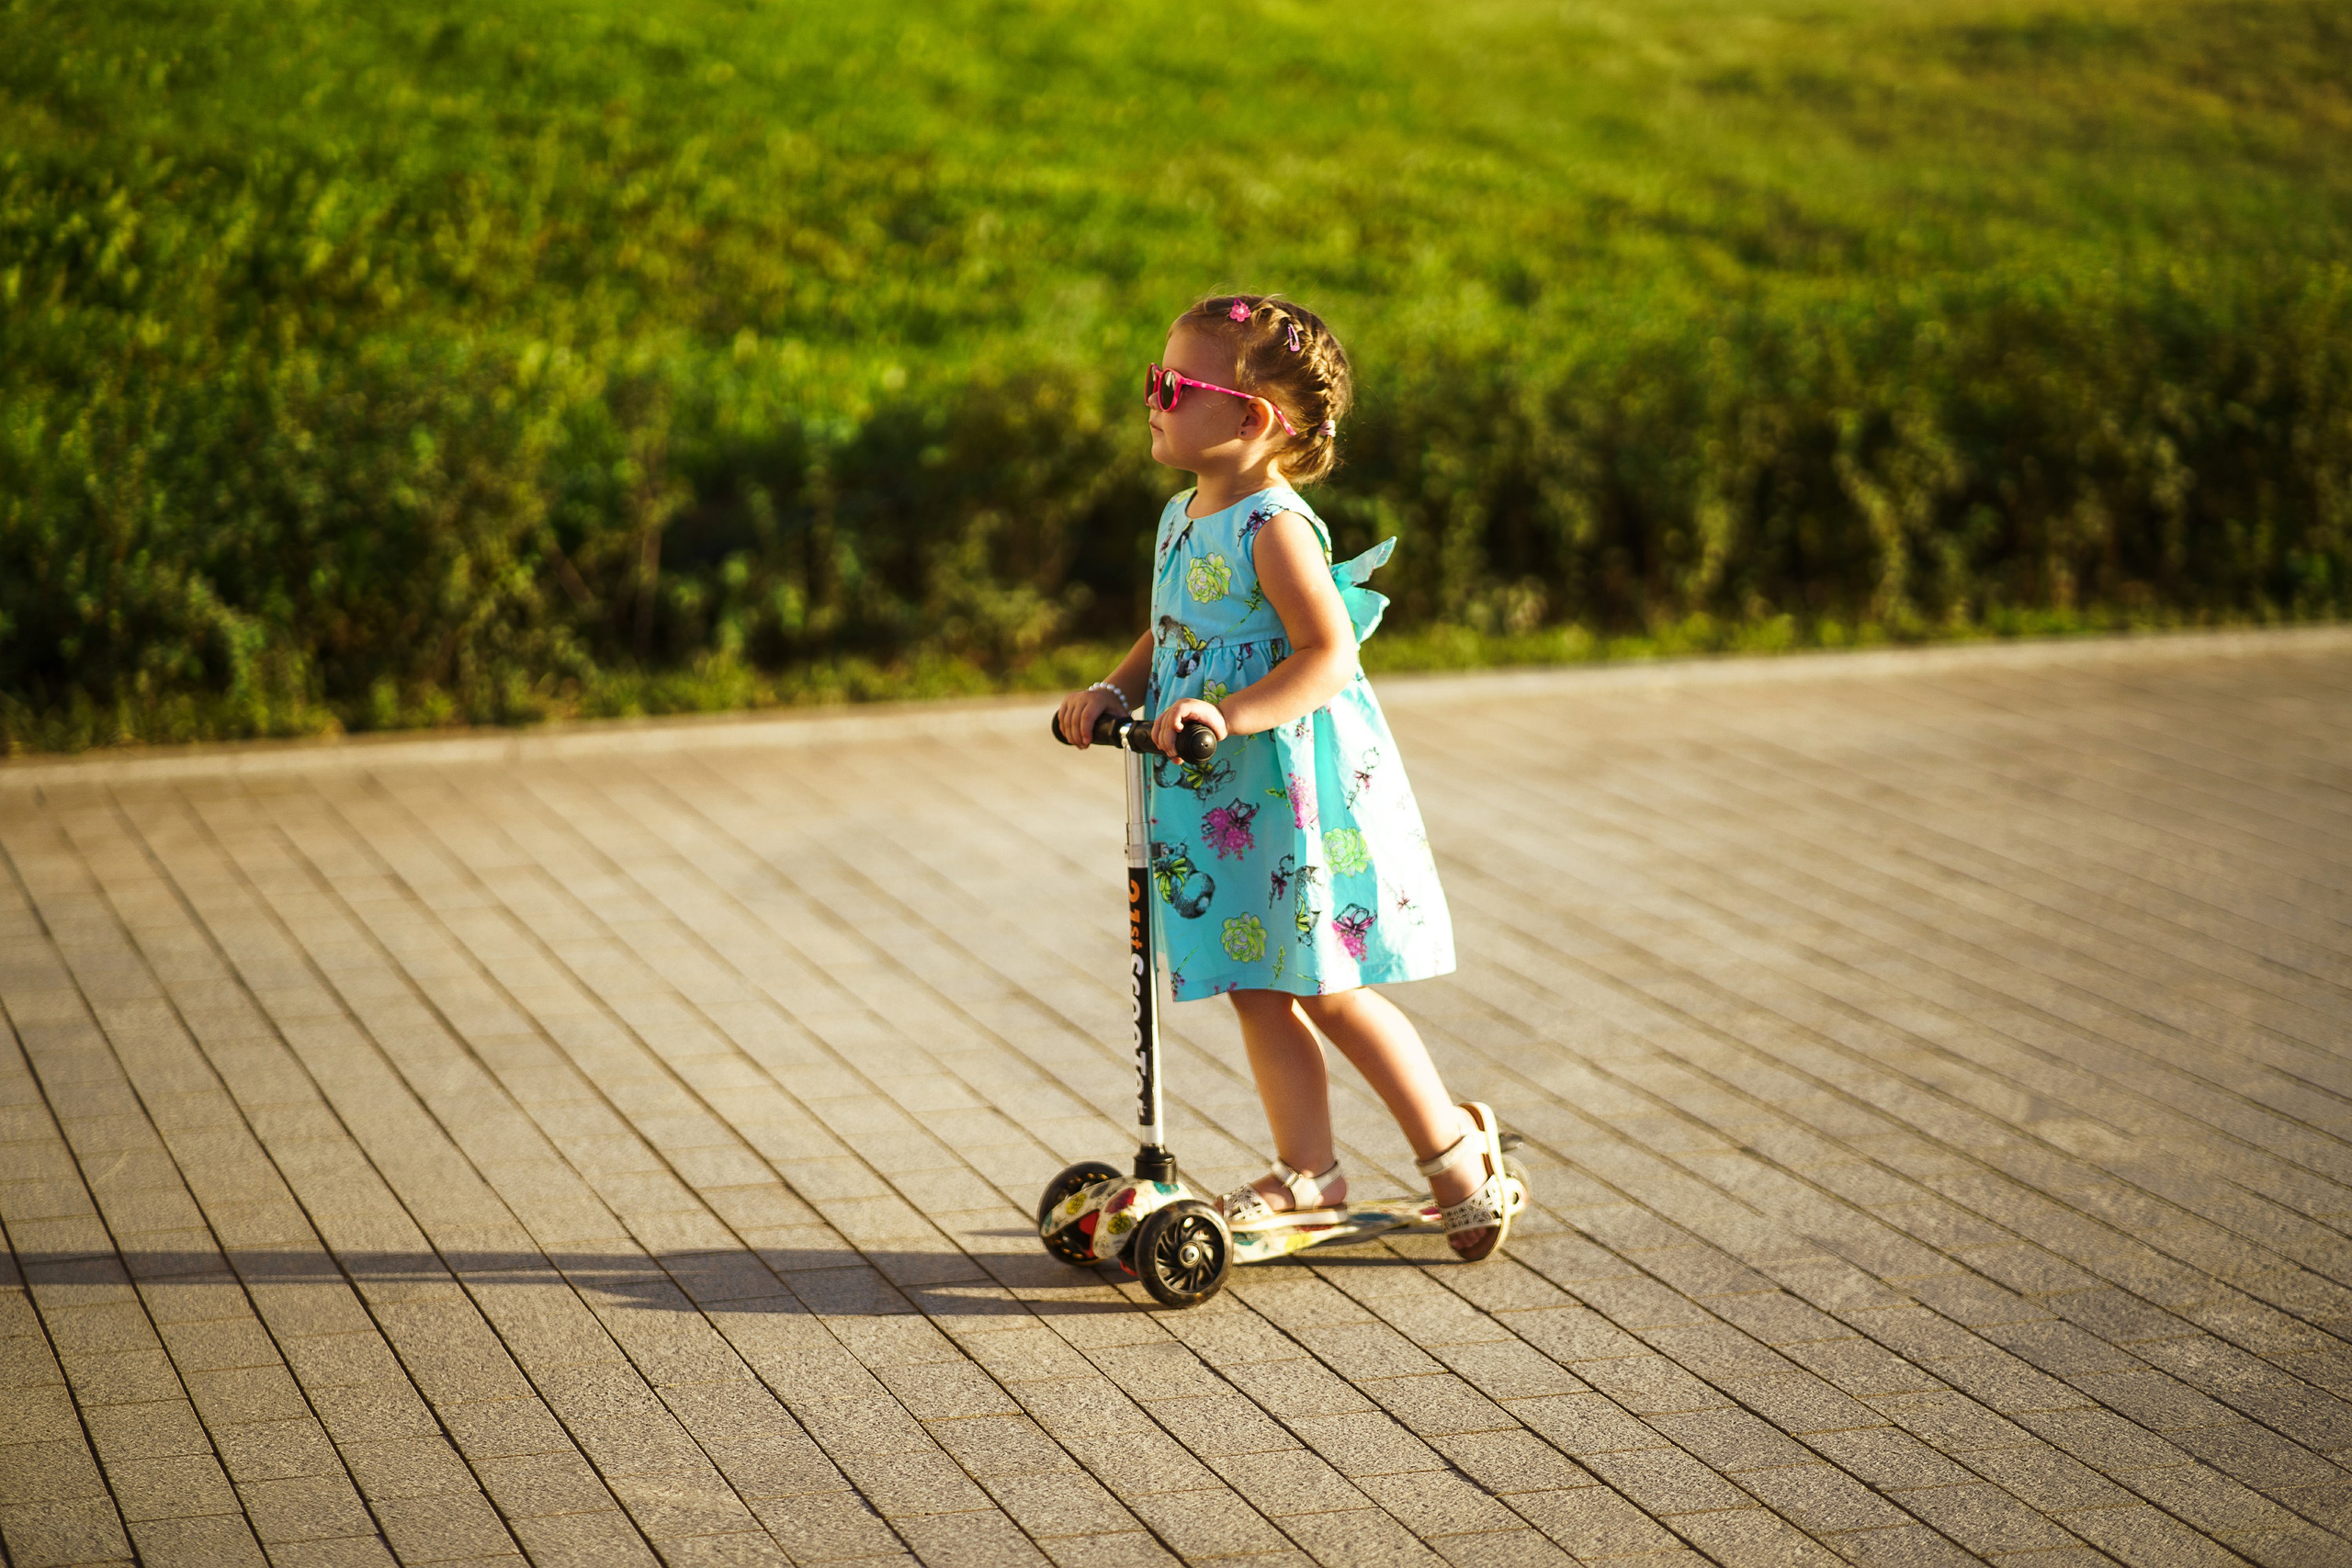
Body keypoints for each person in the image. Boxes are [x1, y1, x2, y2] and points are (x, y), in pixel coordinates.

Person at [1055, 293, 1525, 1261]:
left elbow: (1329, 655)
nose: (1151, 397)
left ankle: (1454, 1152)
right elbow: (1171, 630)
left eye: (1172, 385)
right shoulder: (1180, 515)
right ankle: (1310, 1173)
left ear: (1251, 418)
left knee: (1329, 989)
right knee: (1256, 987)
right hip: (1211, 787)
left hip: (1289, 788)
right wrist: (1112, 689)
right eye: (1155, 379)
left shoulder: (1275, 525)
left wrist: (1226, 713)